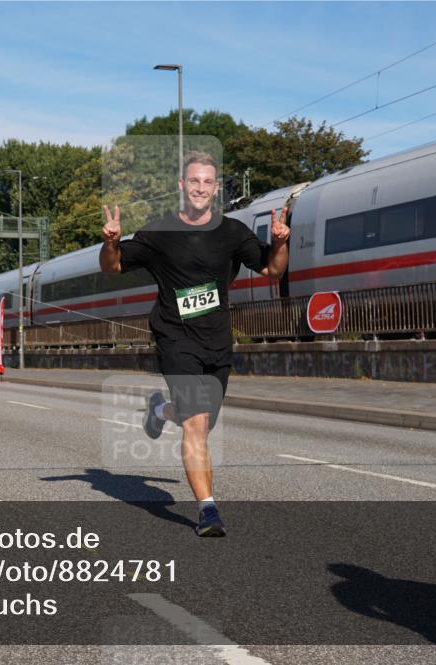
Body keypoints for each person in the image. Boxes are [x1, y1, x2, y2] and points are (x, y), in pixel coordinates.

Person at [99, 151, 290, 537]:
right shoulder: (159, 233)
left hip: (217, 341)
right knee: (198, 424)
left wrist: (281, 242)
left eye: (208, 182)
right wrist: (112, 243)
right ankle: (208, 510)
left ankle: (161, 409)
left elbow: (272, 269)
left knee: (201, 419)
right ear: (182, 186)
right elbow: (113, 267)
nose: (201, 188)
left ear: (215, 188)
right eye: (194, 181)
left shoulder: (233, 233)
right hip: (175, 337)